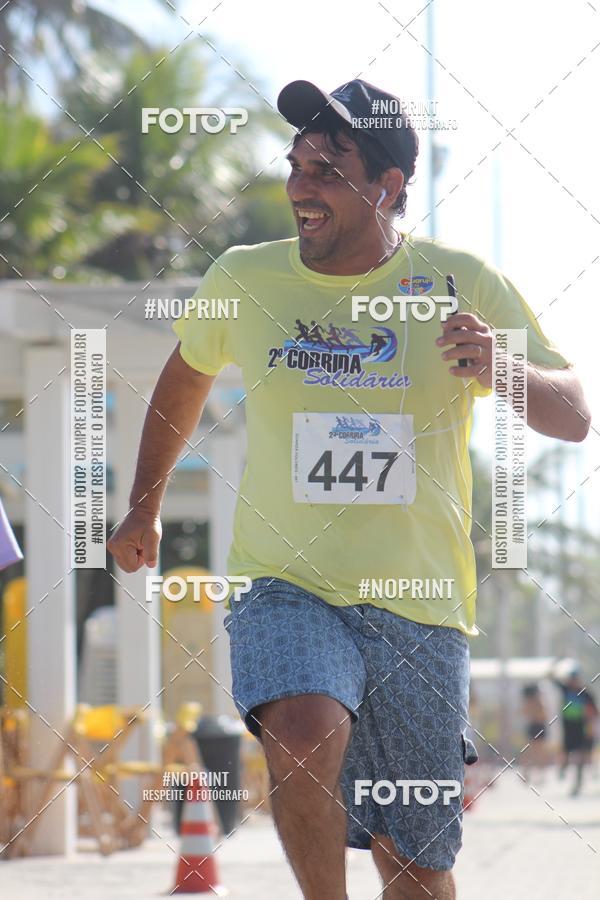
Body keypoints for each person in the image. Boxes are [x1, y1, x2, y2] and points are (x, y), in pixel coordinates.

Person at [108, 78, 590, 899]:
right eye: (296, 163)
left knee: (412, 860)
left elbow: (574, 415)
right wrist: (144, 502)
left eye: (329, 167)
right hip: (286, 581)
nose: (301, 184)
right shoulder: (246, 278)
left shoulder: (458, 280)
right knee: (298, 730)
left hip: (421, 604)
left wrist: (503, 369)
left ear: (388, 187)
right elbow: (185, 378)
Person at [554, 665, 598, 796]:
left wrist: (591, 725)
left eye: (575, 679)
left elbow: (594, 711)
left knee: (579, 755)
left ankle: (578, 783)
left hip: (581, 728)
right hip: (567, 729)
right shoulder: (565, 690)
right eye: (571, 679)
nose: (573, 681)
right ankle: (563, 768)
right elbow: (552, 679)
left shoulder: (585, 693)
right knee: (566, 753)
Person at [520, 683, 550, 783]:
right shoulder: (536, 701)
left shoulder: (536, 701)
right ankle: (529, 774)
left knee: (536, 752)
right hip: (535, 727)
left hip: (537, 727)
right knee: (533, 751)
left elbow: (542, 715)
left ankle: (536, 774)